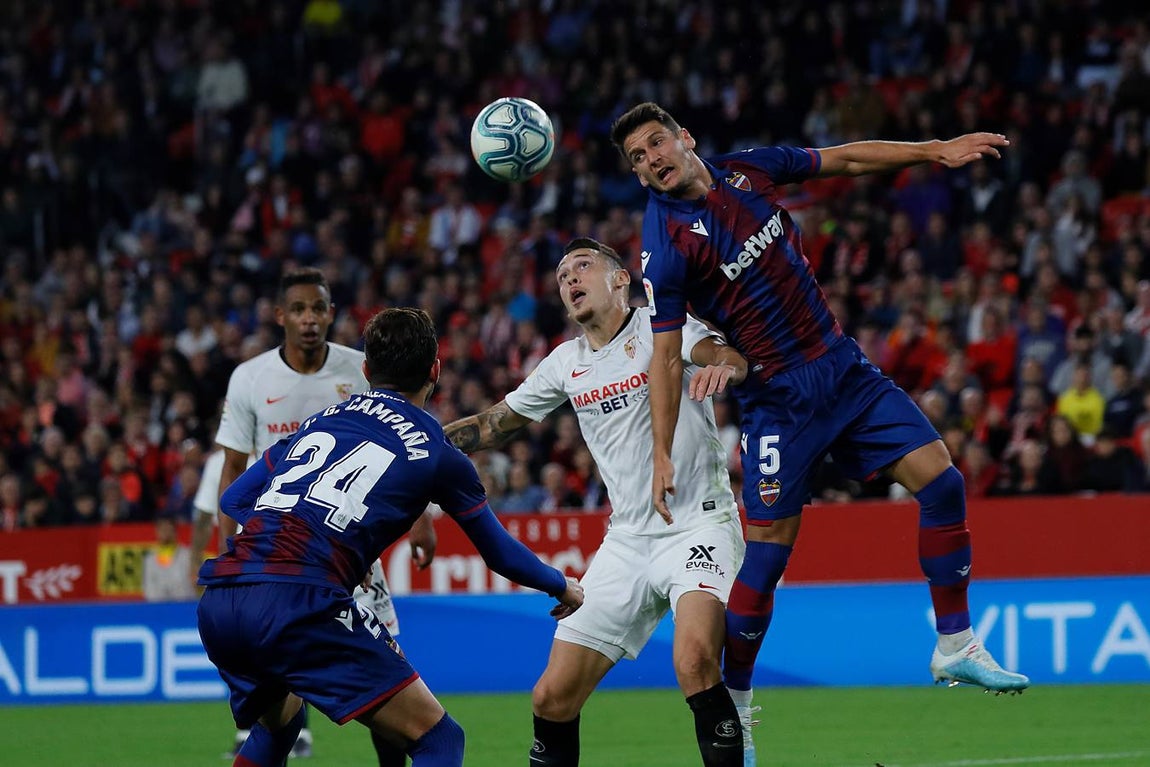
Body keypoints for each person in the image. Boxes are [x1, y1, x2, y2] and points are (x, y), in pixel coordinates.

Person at [609, 101, 1029, 743]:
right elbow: (666, 353)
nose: (652, 160)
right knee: (768, 557)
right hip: (778, 401)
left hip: (842, 369)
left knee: (943, 485)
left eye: (656, 143)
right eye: (637, 158)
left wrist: (934, 147)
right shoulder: (664, 247)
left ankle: (956, 644)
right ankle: (740, 708)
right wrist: (661, 452)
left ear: (684, 137)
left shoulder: (749, 169)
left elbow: (849, 157)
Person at [197, 307, 584, 767]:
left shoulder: (321, 420)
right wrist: (561, 585)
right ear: (435, 371)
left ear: (365, 370)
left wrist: (306, 540)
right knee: (440, 740)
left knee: (280, 725)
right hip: (299, 599)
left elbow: (236, 499)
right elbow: (498, 552)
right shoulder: (437, 449)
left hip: (224, 598)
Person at [444, 238, 749, 767]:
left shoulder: (661, 325)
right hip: (626, 542)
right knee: (551, 698)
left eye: (582, 267)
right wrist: (415, 439)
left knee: (695, 659)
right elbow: (494, 424)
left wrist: (726, 365)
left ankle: (737, 746)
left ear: (619, 280)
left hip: (698, 527)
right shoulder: (567, 362)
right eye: (562, 277)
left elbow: (719, 353)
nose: (570, 281)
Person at [209, 267, 438, 762]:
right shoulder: (250, 378)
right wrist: (228, 545)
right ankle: (286, 728)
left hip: (352, 544)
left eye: (318, 308)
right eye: (299, 309)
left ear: (332, 314)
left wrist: (421, 519)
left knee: (392, 663)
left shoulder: (362, 370)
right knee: (279, 680)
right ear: (280, 317)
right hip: (275, 547)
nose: (309, 319)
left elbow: (404, 445)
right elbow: (232, 468)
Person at [142, 511, 197, 602]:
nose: (165, 531)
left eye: (168, 527)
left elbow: (191, 587)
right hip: (159, 610)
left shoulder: (188, 556)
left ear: (175, 530)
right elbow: (149, 590)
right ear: (157, 531)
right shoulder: (150, 560)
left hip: (184, 607)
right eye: (161, 528)